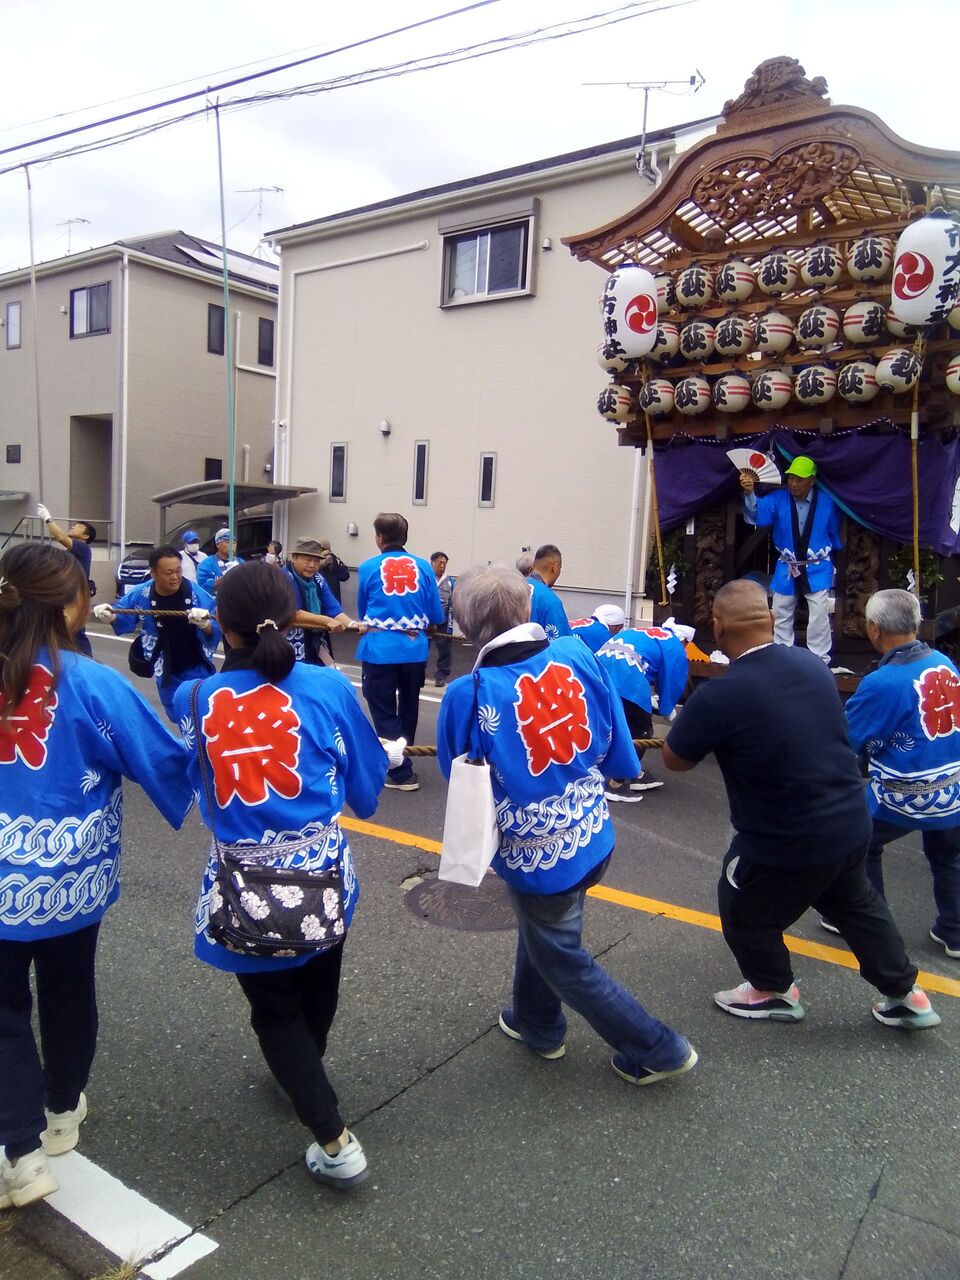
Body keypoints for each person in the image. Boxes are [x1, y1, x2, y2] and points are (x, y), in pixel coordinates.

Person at [174, 561, 394, 1192]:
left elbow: (191, 782)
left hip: (245, 888)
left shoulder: (197, 698)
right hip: (325, 877)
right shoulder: (328, 688)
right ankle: (305, 1072)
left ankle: (334, 1138)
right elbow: (367, 788)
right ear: (294, 617)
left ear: (222, 623)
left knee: (274, 1012)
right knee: (319, 985)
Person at [437, 564, 697, 1087]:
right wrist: (622, 769)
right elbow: (613, 726)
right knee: (547, 935)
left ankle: (658, 1048)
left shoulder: (470, 692)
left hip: (539, 854)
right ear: (527, 607)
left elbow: (454, 771)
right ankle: (537, 1024)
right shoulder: (577, 653)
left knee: (563, 956)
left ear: (463, 627)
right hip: (592, 830)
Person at [0, 543, 193, 1209]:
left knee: (2, 1012)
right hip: (66, 879)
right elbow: (162, 760)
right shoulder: (89, 681)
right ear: (71, 606)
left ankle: (18, 1154)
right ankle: (59, 1112)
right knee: (68, 989)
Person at [662, 579, 940, 1030]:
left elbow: (675, 759)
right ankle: (907, 994)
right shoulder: (812, 665)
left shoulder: (719, 694)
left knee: (741, 903)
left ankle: (772, 990)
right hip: (850, 821)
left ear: (717, 626)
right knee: (854, 903)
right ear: (772, 618)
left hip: (787, 838)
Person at [839, 589, 960, 959]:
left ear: (874, 629)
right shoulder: (944, 663)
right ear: (915, 623)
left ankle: (872, 925)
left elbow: (848, 740)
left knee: (857, 839)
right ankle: (955, 931)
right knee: (949, 855)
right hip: (955, 789)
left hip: (906, 793)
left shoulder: (883, 682)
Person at [356, 513, 445, 791]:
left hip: (380, 649)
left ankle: (400, 771)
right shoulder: (423, 566)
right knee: (409, 706)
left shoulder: (368, 567)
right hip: (414, 649)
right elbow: (435, 614)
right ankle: (403, 759)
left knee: (382, 707)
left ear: (380, 537)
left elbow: (363, 610)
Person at [94, 545, 219, 723]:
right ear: (153, 573)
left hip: (196, 663)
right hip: (166, 666)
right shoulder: (142, 593)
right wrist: (110, 616)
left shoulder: (194, 592)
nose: (175, 577)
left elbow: (216, 623)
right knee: (178, 717)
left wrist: (205, 624)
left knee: (204, 713)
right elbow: (122, 615)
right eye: (168, 573)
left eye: (178, 571)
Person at [741, 455, 842, 665]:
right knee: (781, 611)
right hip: (787, 564)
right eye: (791, 478)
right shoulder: (778, 499)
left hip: (817, 565)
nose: (793, 483)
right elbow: (759, 512)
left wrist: (833, 553)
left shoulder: (827, 501)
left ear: (811, 481)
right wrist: (750, 493)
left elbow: (833, 530)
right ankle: (782, 656)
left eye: (799, 479)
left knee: (819, 614)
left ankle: (819, 659)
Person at [594, 622, 690, 798]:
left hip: (600, 666)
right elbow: (674, 679)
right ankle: (615, 784)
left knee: (613, 724)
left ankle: (636, 773)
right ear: (684, 640)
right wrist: (667, 707)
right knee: (640, 730)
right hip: (627, 672)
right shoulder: (674, 644)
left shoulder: (645, 632)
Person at [36, 503, 96, 657]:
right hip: (67, 595)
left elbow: (60, 537)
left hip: (74, 598)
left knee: (75, 632)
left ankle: (87, 661)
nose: (74, 526)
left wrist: (48, 518)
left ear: (85, 536)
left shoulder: (82, 547)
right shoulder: (71, 553)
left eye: (78, 526)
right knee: (66, 631)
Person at [283, 537, 355, 665]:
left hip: (317, 640)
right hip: (289, 642)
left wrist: (352, 624)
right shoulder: (283, 577)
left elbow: (333, 609)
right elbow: (294, 614)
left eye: (316, 561)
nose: (312, 565)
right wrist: (327, 621)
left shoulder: (318, 579)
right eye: (308, 560)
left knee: (324, 672)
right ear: (294, 557)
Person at [527, 544, 572, 639]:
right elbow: (563, 642)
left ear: (533, 565)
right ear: (555, 567)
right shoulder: (550, 601)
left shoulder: (513, 588)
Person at [429, 551, 454, 687]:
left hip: (443, 621)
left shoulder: (450, 582)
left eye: (444, 563)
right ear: (432, 563)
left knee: (445, 650)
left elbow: (453, 601)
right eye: (440, 563)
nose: (442, 566)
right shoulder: (426, 578)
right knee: (422, 648)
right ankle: (418, 675)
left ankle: (441, 676)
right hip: (426, 621)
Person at [196, 527, 240, 594]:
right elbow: (203, 589)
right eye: (227, 542)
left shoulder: (241, 563)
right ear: (217, 544)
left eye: (234, 542)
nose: (231, 545)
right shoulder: (206, 565)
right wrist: (227, 576)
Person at [318, 539, 350, 604]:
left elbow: (318, 567)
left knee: (330, 603)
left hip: (329, 585)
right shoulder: (333, 556)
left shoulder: (328, 557)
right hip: (334, 585)